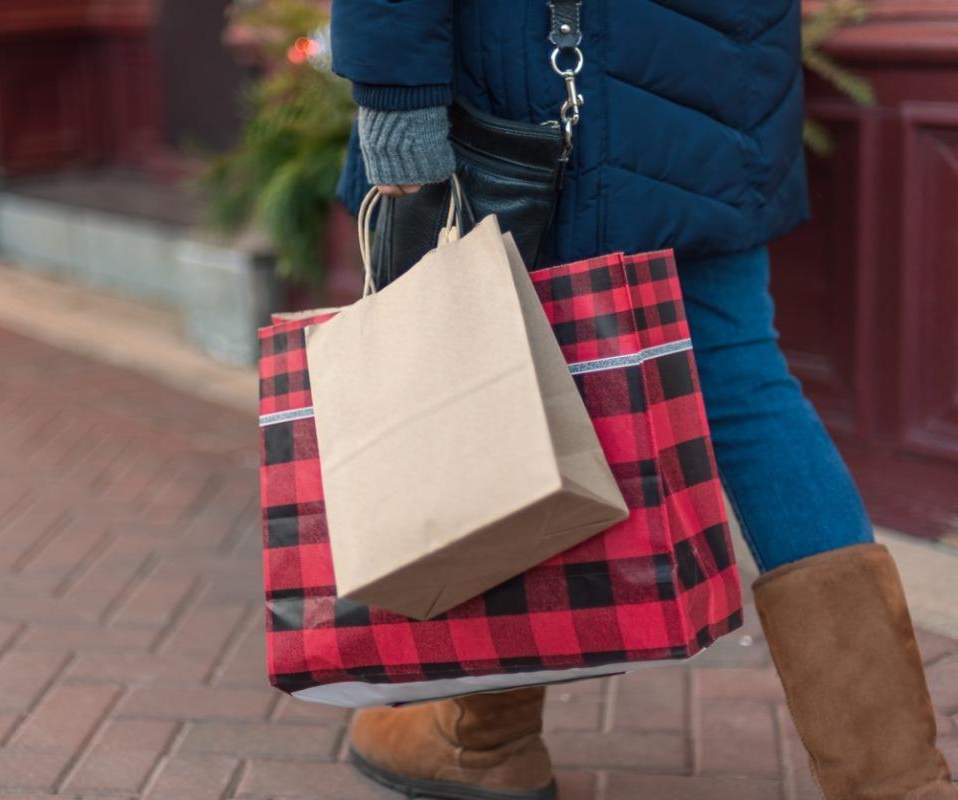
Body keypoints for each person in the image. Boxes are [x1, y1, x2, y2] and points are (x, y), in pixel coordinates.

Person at [328, 2, 958, 800]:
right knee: (745, 386)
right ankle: (896, 781)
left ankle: (484, 740)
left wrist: (397, 106)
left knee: (494, 384)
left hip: (532, 87)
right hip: (718, 97)